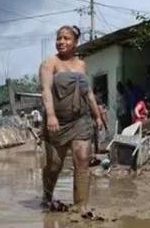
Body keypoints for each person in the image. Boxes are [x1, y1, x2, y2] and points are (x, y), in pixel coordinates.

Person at [40, 25, 104, 213]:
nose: (61, 42)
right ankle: (47, 194)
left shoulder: (82, 65)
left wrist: (97, 115)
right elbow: (45, 91)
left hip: (80, 120)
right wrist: (50, 115)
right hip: (57, 122)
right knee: (55, 165)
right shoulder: (49, 64)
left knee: (83, 159)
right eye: (59, 38)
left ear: (76, 42)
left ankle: (80, 206)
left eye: (66, 38)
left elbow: (89, 93)